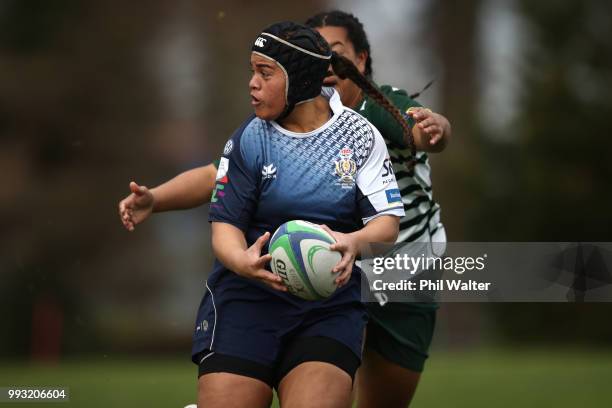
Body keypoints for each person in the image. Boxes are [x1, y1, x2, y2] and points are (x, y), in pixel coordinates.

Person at [121, 21, 410, 408]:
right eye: (251, 70)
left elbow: (387, 224)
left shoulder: (359, 136)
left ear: (301, 80)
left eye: (265, 72)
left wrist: (354, 242)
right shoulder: (251, 139)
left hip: (327, 306)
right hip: (246, 298)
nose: (252, 84)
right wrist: (241, 262)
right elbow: (224, 226)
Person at [305, 10, 451, 408]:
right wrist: (157, 199)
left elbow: (423, 132)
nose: (327, 66)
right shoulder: (299, 123)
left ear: (362, 59)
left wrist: (436, 126)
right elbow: (225, 172)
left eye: (336, 53)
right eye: (315, 55)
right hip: (342, 271)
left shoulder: (380, 108)